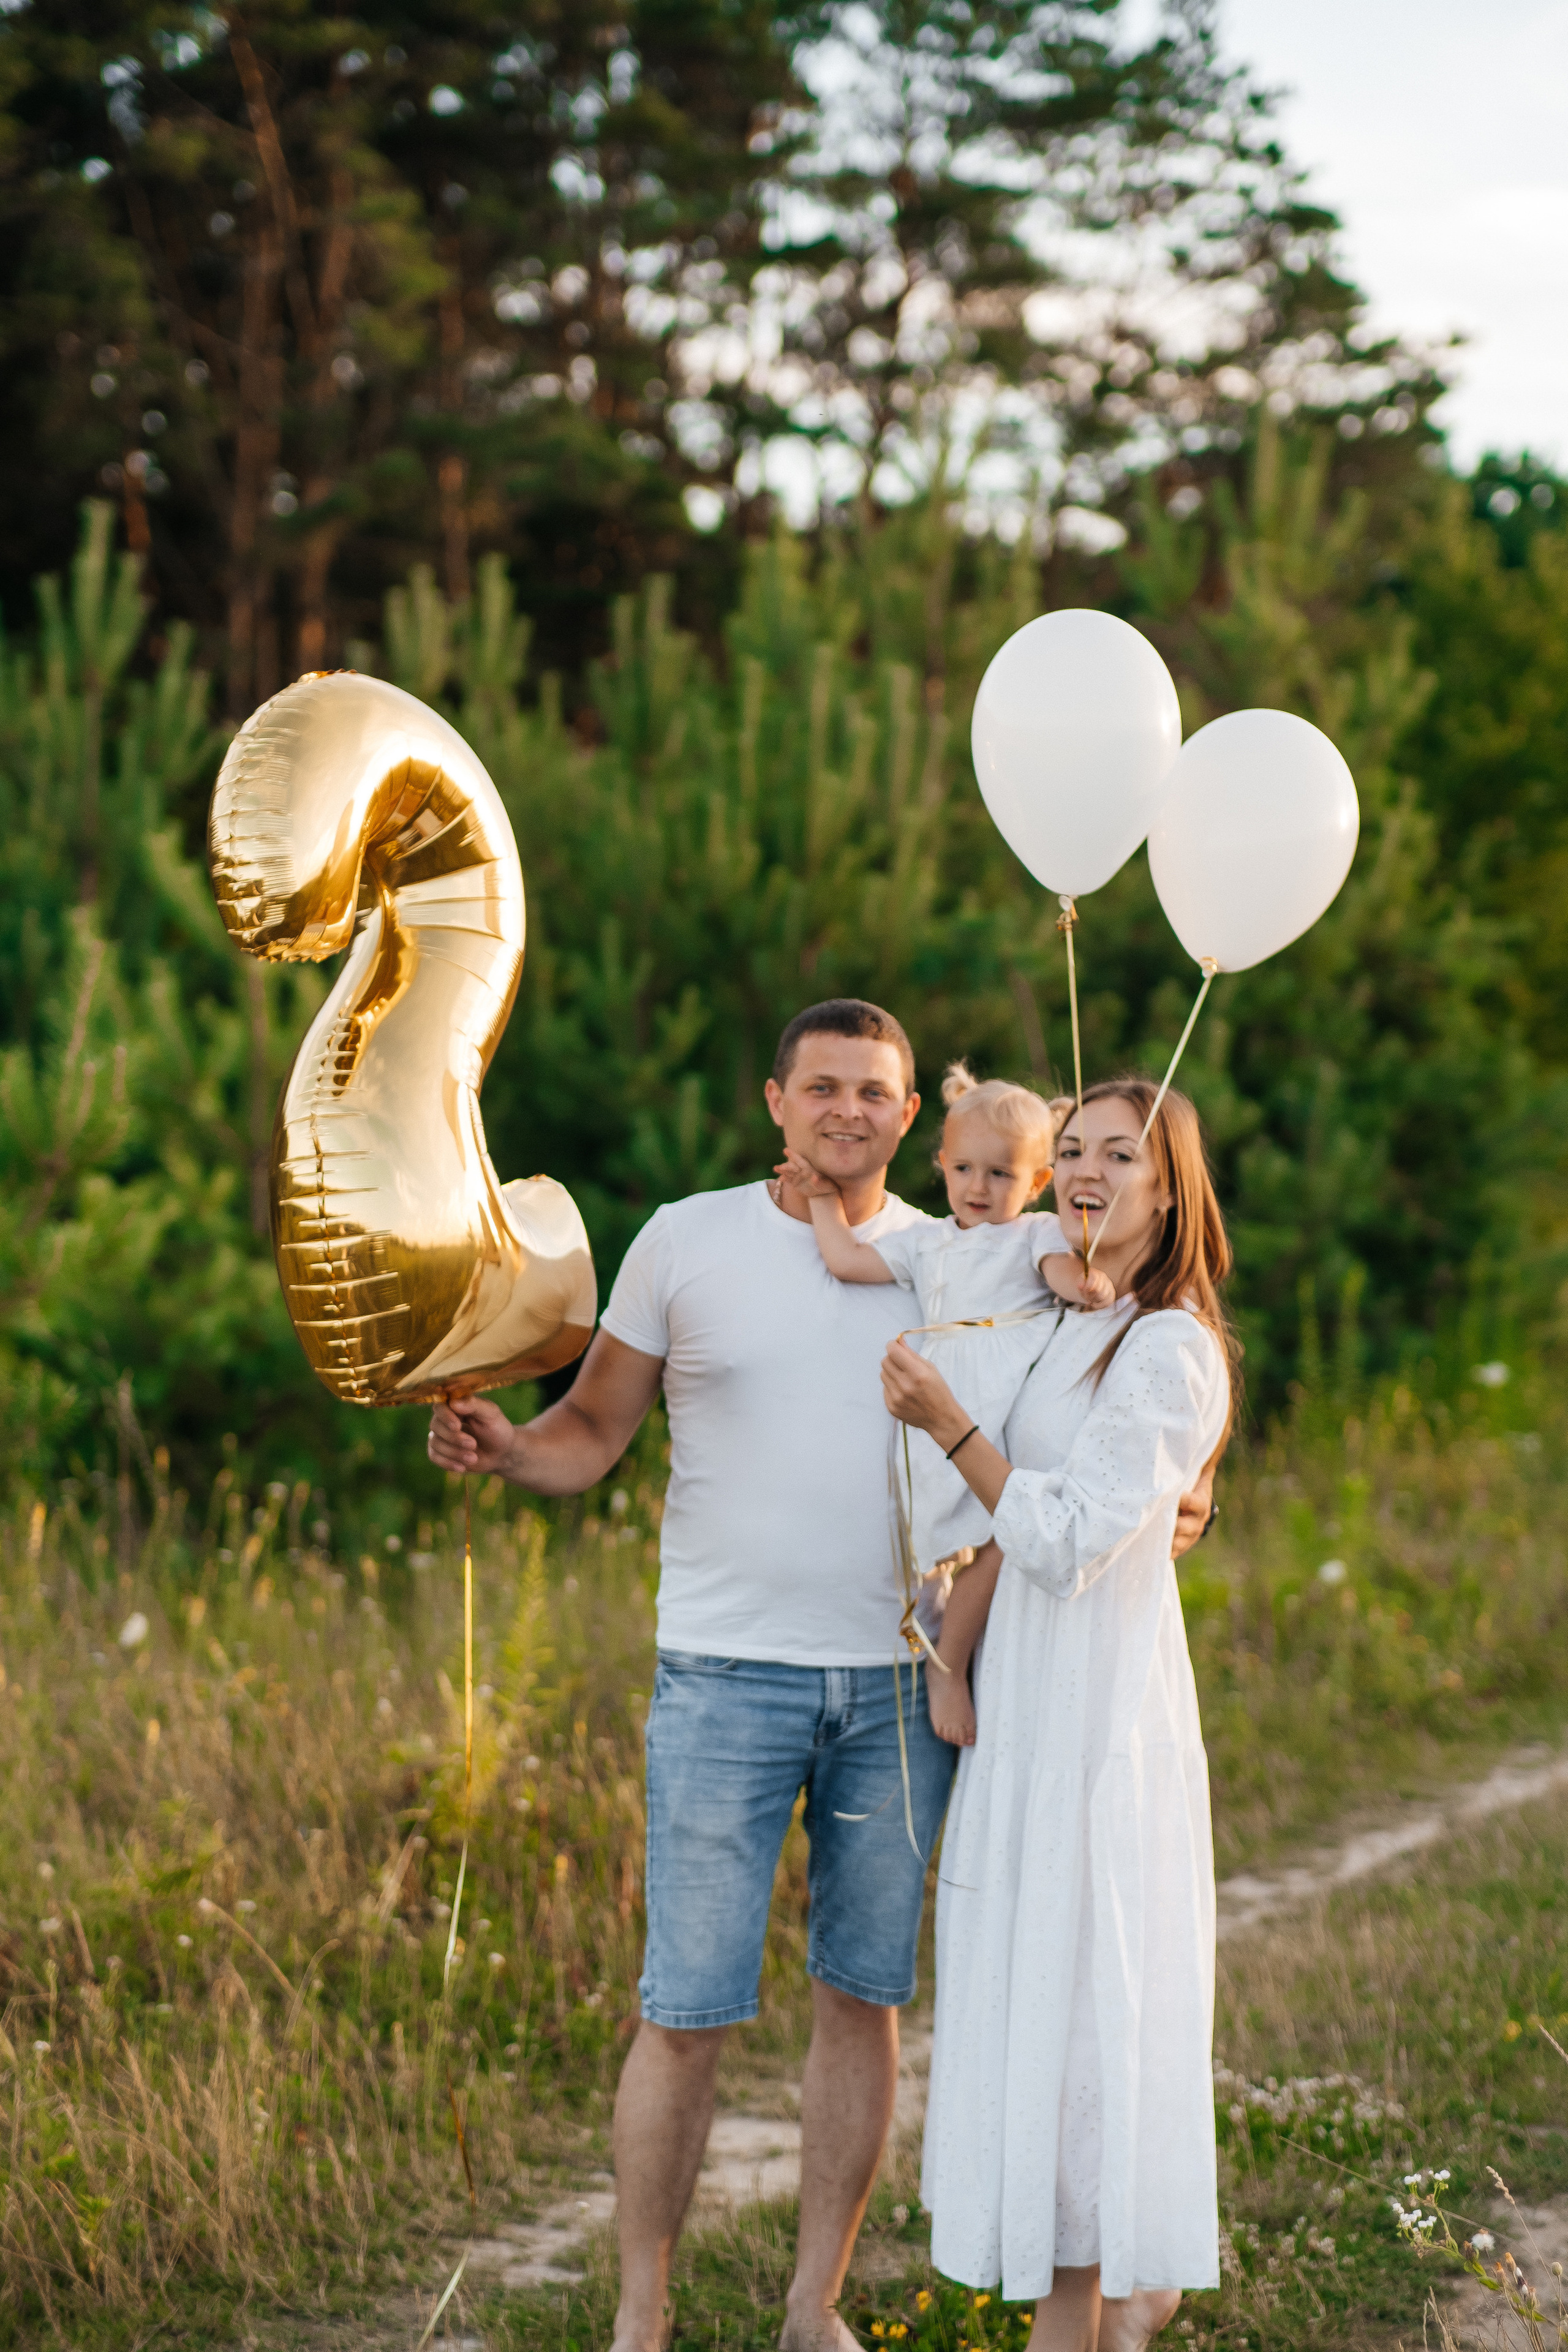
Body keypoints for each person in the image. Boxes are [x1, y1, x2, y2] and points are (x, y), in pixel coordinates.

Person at [427, 1008, 1217, 2352]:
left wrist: (1190, 1492)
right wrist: (508, 1452)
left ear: (910, 1114)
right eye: (822, 1088)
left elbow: (1094, 1425)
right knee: (682, 2008)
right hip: (723, 1677)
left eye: (874, 1091)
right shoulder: (686, 1237)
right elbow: (592, 1430)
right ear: (776, 1100)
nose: (847, 1109)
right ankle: (640, 2320)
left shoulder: (963, 1250)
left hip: (899, 1687)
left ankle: (813, 2313)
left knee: (864, 1996)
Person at [880, 1076, 1237, 2352]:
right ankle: (1091, 2309)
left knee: (1088, 2008)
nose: (1085, 1171)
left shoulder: (1172, 1348)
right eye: (1071, 1150)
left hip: (1097, 1724)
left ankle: (1085, 2315)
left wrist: (950, 1422)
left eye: (1116, 1157)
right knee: (1031, 1997)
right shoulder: (1063, 1313)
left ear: (1166, 1190)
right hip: (1024, 1710)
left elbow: (1069, 1536)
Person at [777, 1061, 1113, 1748]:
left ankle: (948, 1665)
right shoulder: (926, 1241)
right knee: (937, 1552)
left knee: (1001, 1540)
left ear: (1038, 1182)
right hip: (936, 1426)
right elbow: (846, 1260)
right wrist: (818, 1200)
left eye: (1000, 1174)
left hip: (999, 1428)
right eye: (964, 1170)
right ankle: (928, 1652)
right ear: (942, 1166)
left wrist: (1084, 1282)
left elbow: (1061, 1274)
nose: (979, 1188)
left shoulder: (1035, 1235)